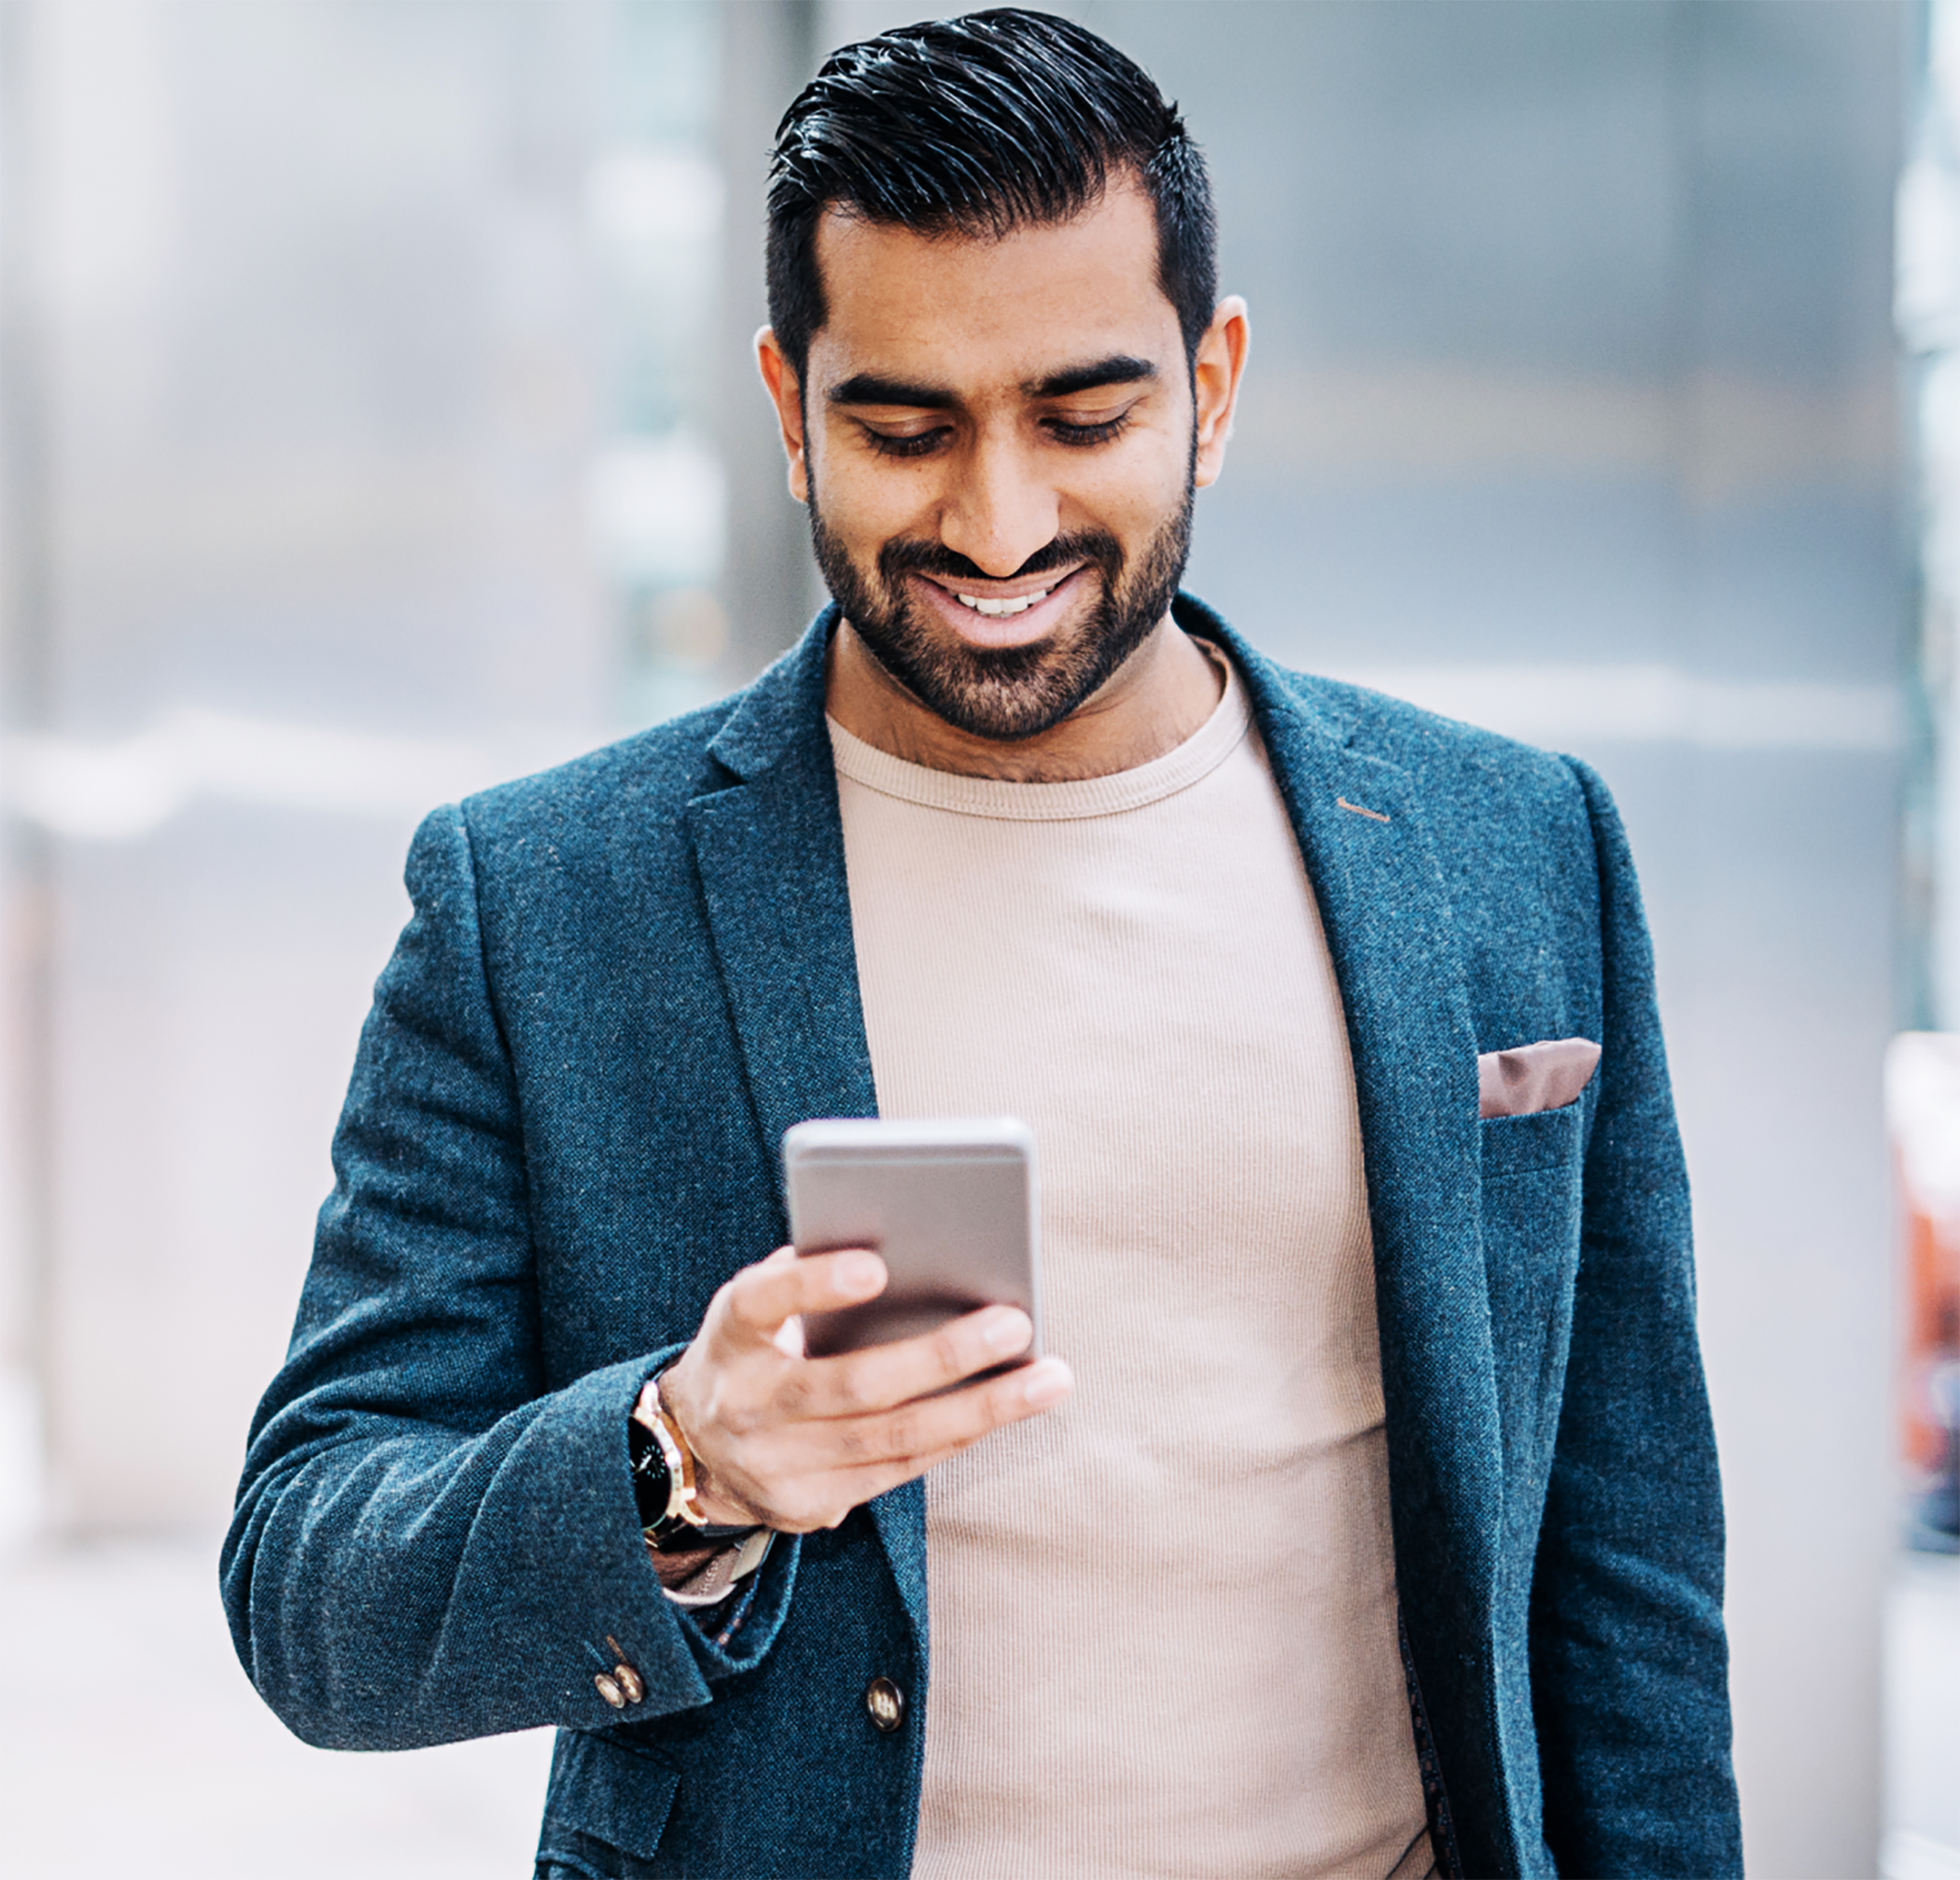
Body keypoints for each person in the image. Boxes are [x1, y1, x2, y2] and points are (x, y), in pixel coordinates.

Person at [222, 11, 1743, 1877]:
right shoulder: (544, 897)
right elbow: (311, 1581)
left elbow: (1630, 1575)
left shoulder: (1517, 847)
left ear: (1218, 379)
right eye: (906, 426)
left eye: (1086, 416)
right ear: (790, 407)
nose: (999, 519)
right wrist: (682, 1459)